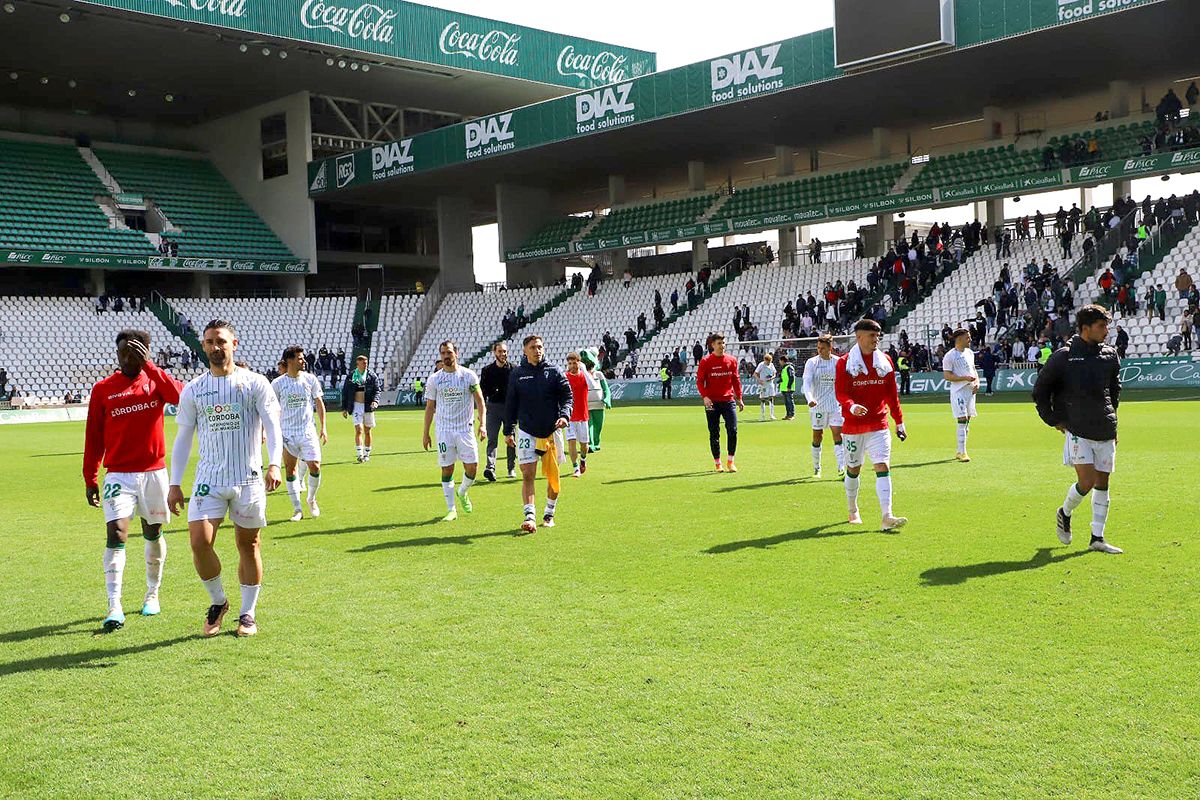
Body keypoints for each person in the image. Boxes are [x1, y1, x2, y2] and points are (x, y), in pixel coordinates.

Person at [167, 319, 283, 638]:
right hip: (209, 480)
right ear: (203, 347)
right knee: (199, 542)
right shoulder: (194, 390)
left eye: (221, 341)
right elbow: (183, 438)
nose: (215, 347)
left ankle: (248, 613)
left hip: (248, 478)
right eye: (209, 342)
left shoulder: (256, 383)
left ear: (234, 343)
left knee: (249, 545)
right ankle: (219, 602)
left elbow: (272, 427)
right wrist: (175, 483)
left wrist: (275, 464)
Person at [83, 330, 183, 631]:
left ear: (146, 352)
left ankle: (152, 595)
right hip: (118, 475)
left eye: (135, 351)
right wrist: (90, 477)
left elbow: (181, 397)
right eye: (123, 351)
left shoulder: (155, 381)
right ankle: (114, 606)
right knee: (116, 533)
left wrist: (151, 366)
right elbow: (94, 436)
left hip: (154, 472)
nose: (127, 357)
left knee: (152, 533)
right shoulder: (103, 389)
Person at [1032, 305, 1123, 554]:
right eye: (1101, 326)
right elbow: (1040, 391)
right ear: (1086, 328)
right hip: (1077, 428)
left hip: (1104, 427)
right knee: (1088, 481)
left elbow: (1114, 390)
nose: (1106, 331)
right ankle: (1065, 511)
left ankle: (1097, 537)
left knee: (1103, 482)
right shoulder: (1064, 356)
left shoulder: (1110, 355)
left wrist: (1113, 420)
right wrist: (1054, 420)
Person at [835, 319, 907, 530]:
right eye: (871, 336)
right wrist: (851, 406)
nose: (876, 339)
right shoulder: (844, 363)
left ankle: (887, 516)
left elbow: (892, 395)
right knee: (853, 469)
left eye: (878, 336)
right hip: (853, 426)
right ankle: (852, 509)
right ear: (859, 337)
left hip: (878, 423)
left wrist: (899, 421)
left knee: (883, 466)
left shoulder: (885, 361)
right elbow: (840, 392)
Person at [504, 335, 573, 532]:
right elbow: (511, 404)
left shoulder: (554, 371)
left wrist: (564, 415)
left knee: (553, 477)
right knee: (527, 474)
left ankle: (549, 513)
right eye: (533, 347)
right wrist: (509, 430)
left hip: (552, 431)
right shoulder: (517, 374)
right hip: (527, 431)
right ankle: (530, 517)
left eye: (540, 347)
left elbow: (567, 396)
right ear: (525, 350)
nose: (537, 350)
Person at [422, 341, 485, 522]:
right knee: (447, 468)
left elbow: (480, 401)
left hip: (465, 429)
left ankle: (462, 491)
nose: (446, 356)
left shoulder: (468, 376)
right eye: (443, 353)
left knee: (472, 467)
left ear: (456, 353)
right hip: (444, 430)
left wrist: (483, 424)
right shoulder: (435, 379)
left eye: (449, 352)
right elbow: (429, 407)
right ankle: (451, 509)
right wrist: (425, 433)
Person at [271, 346, 327, 522]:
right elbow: (271, 410)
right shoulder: (277, 384)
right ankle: (297, 509)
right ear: (290, 361)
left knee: (315, 466)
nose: (304, 361)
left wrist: (323, 427)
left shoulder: (310, 380)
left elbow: (319, 403)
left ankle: (311, 498)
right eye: (300, 358)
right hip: (287, 433)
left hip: (307, 431)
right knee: (290, 470)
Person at [696, 333, 744, 472]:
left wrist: (739, 397)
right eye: (719, 343)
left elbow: (736, 380)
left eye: (723, 343)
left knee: (733, 430)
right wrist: (705, 396)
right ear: (712, 345)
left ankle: (731, 462)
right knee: (714, 433)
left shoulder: (732, 360)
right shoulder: (705, 362)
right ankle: (718, 463)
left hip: (728, 400)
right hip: (712, 402)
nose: (722, 346)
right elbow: (699, 381)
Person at [802, 334, 846, 479]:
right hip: (817, 406)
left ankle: (841, 467)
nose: (819, 351)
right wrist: (810, 398)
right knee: (817, 437)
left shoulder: (838, 362)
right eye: (818, 348)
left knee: (837, 435)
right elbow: (807, 383)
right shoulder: (812, 362)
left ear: (830, 348)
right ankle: (817, 467)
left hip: (835, 405)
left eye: (822, 348)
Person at [942, 328, 979, 463]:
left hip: (970, 391)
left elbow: (973, 369)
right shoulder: (950, 356)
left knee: (967, 422)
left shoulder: (969, 353)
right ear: (959, 339)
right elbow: (947, 375)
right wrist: (963, 378)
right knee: (962, 420)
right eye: (967, 337)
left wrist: (977, 382)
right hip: (959, 391)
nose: (970, 340)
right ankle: (963, 452)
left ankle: (959, 450)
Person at [480, 342, 515, 481]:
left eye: (505, 351)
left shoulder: (514, 369)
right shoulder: (487, 370)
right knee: (492, 439)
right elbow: (482, 392)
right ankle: (490, 468)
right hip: (493, 408)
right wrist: (481, 412)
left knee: (510, 439)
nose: (503, 354)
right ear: (494, 352)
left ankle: (511, 468)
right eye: (500, 351)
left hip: (509, 409)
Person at [564, 352, 598, 477]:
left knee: (584, 446)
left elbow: (593, 386)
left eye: (574, 363)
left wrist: (584, 370)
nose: (572, 366)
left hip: (583, 416)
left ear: (579, 363)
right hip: (570, 416)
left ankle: (583, 460)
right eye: (570, 363)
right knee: (571, 441)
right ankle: (575, 467)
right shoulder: (565, 376)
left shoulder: (584, 376)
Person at [340, 355, 379, 463]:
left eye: (366, 363)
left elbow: (377, 390)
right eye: (363, 363)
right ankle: (360, 454)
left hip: (367, 406)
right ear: (358, 364)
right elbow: (345, 392)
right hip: (356, 405)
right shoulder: (351, 376)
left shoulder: (371, 376)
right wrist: (344, 408)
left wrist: (375, 401)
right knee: (359, 430)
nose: (365, 364)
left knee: (367, 430)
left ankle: (367, 454)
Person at [581, 350, 611, 451]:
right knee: (588, 425)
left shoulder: (599, 374)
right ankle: (590, 444)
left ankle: (597, 442)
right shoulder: (582, 375)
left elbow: (606, 388)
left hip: (599, 404)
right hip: (586, 405)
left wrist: (607, 398)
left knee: (598, 425)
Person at [754, 353, 777, 421]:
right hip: (763, 385)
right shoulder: (761, 365)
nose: (769, 363)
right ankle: (762, 416)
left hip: (770, 384)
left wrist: (772, 377)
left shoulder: (772, 365)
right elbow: (755, 374)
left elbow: (774, 373)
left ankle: (772, 415)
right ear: (765, 360)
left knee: (771, 398)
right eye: (768, 361)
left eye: (770, 361)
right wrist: (759, 380)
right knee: (763, 399)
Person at [777, 353, 796, 421]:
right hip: (784, 388)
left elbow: (791, 377)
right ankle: (788, 415)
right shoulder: (784, 368)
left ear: (782, 360)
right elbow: (784, 378)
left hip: (788, 388)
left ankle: (792, 415)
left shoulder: (789, 367)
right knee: (786, 402)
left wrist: (789, 386)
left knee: (790, 401)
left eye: (780, 361)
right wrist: (779, 381)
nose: (779, 362)